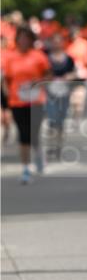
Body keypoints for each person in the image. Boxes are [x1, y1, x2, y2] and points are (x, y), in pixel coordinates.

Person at [1, 26, 51, 183]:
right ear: (17, 40)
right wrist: (7, 95)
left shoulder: (38, 56)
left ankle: (38, 157)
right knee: (23, 133)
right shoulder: (10, 57)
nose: (23, 41)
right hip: (17, 100)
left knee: (33, 132)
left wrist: (39, 83)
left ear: (31, 40)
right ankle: (25, 168)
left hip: (36, 100)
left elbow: (48, 75)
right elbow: (5, 79)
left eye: (26, 38)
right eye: (21, 38)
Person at [44, 32, 76, 160]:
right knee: (52, 120)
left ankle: (58, 146)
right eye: (54, 41)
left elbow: (75, 73)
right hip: (50, 93)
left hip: (64, 93)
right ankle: (51, 146)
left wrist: (69, 77)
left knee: (61, 121)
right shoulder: (45, 58)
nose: (56, 44)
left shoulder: (69, 59)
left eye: (59, 41)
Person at [66, 24, 87, 122]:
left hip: (82, 73)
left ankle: (77, 117)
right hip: (70, 75)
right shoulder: (67, 45)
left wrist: (84, 64)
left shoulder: (86, 44)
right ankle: (75, 112)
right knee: (72, 98)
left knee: (80, 97)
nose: (73, 36)